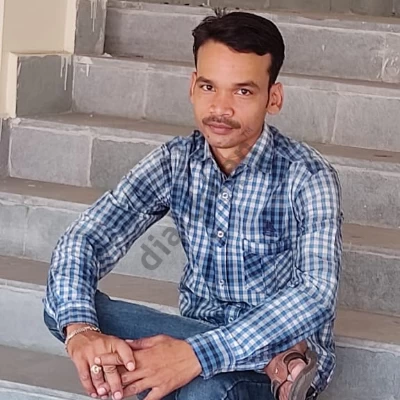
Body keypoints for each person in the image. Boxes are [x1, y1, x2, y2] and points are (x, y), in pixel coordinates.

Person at [43, 9, 343, 400]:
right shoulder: (176, 161)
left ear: (274, 98)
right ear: (192, 86)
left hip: (263, 351)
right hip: (197, 336)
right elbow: (86, 239)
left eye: (243, 91)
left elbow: (315, 294)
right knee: (66, 310)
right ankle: (255, 362)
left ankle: (246, 365)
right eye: (208, 87)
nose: (221, 108)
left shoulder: (307, 175)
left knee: (205, 390)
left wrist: (194, 355)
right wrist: (82, 333)